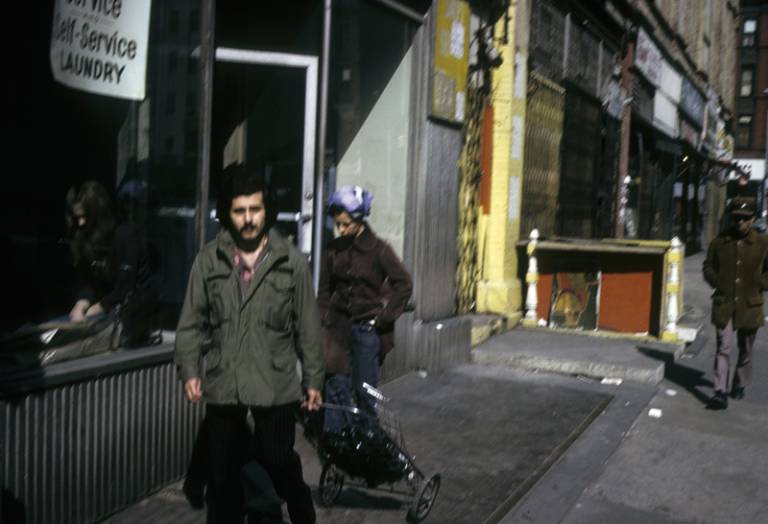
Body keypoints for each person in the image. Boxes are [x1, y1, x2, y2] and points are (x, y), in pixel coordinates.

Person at [174, 164, 324, 524]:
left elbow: (308, 327)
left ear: (266, 210)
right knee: (223, 477)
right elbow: (191, 322)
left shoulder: (291, 262)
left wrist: (313, 380)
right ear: (228, 213)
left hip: (274, 381)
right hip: (224, 380)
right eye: (239, 211)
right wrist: (190, 370)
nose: (248, 219)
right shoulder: (208, 261)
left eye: (255, 209)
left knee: (277, 460)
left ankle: (301, 511)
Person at [318, 185, 412, 431]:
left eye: (346, 224)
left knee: (364, 393)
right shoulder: (333, 249)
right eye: (338, 224)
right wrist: (323, 321)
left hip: (366, 330)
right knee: (335, 386)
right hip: (337, 330)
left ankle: (366, 441)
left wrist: (383, 318)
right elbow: (324, 290)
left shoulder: (380, 250)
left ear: (359, 221)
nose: (341, 229)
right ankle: (336, 442)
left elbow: (404, 284)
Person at [65, 180, 159, 347]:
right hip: (104, 313)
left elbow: (125, 288)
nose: (80, 223)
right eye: (76, 217)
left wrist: (94, 310)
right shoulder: (87, 238)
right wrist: (82, 303)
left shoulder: (125, 235)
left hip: (132, 320)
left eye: (84, 217)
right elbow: (87, 279)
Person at [703, 196, 768, 410]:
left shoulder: (763, 243)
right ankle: (720, 391)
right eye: (736, 218)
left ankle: (739, 382)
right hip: (725, 303)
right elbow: (708, 266)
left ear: (753, 219)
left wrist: (761, 282)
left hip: (750, 305)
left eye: (745, 218)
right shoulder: (720, 242)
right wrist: (717, 282)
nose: (740, 222)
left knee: (745, 349)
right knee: (724, 346)